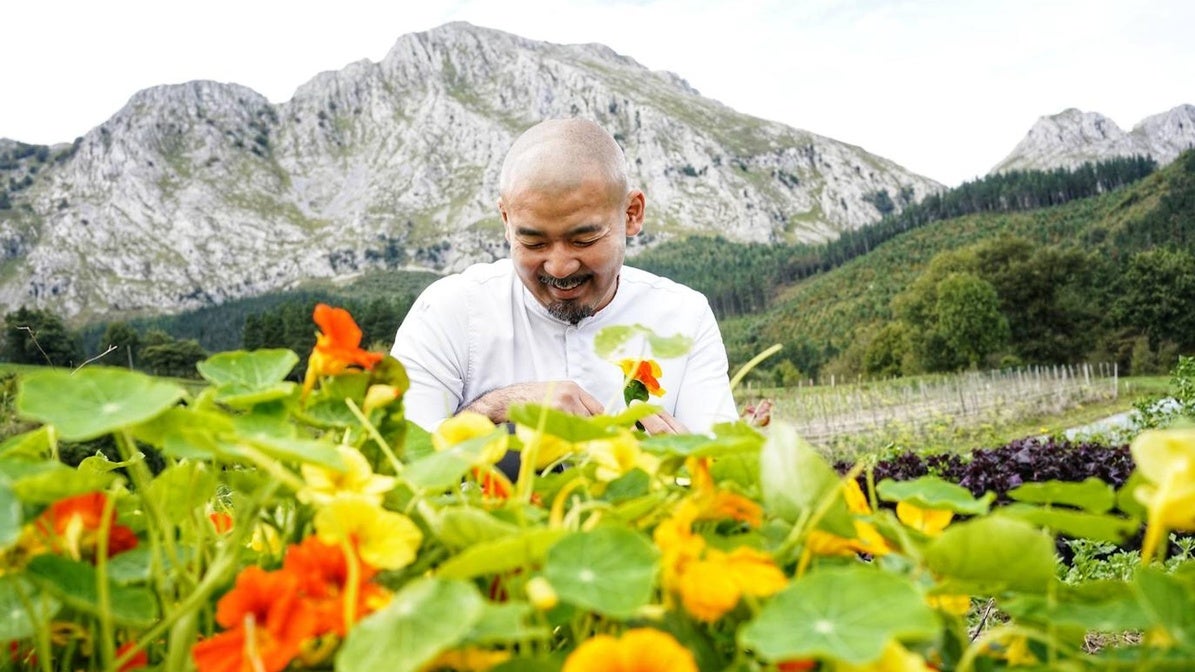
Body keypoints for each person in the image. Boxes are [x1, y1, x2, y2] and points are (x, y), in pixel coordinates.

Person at [391, 118, 737, 435]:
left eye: (583, 239)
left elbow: (721, 469)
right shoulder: (450, 309)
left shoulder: (686, 315)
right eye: (534, 241)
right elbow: (401, 455)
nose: (559, 267)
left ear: (632, 214)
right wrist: (500, 407)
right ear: (506, 222)